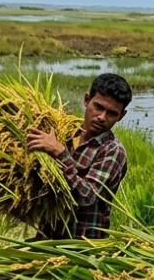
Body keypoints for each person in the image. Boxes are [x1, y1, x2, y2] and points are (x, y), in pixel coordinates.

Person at [26, 73, 131, 239]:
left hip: (83, 248)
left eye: (111, 113)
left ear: (121, 116)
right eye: (98, 107)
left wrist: (60, 153)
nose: (102, 117)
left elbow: (86, 195)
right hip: (47, 238)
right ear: (86, 100)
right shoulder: (63, 133)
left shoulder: (112, 151)